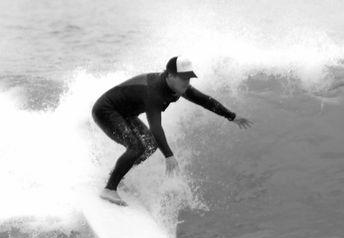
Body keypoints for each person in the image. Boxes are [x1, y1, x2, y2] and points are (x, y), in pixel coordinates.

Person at [92, 56, 253, 206]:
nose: (187, 82)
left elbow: (204, 100)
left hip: (125, 114)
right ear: (170, 75)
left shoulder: (178, 87)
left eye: (189, 77)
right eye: (183, 78)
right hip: (106, 110)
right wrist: (169, 155)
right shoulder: (154, 91)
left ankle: (117, 176)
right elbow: (155, 126)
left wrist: (232, 116)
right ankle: (109, 189)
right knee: (137, 147)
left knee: (150, 145)